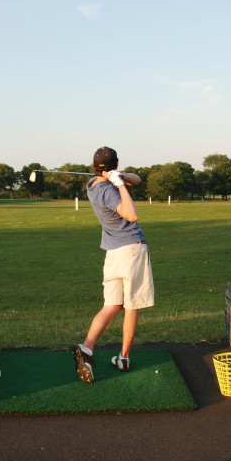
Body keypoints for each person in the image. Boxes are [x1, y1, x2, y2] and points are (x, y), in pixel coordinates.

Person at [70, 146, 155, 383]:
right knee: (131, 305)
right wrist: (118, 184)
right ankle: (124, 357)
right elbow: (131, 215)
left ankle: (86, 348)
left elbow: (137, 180)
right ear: (115, 164)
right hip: (131, 251)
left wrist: (120, 177)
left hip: (113, 254)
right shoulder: (109, 191)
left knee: (112, 304)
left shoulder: (93, 185)